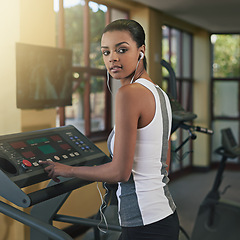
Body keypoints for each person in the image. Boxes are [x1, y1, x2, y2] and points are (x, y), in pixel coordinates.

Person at [40, 19, 179, 240]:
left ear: (141, 51)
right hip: (164, 216)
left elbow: (119, 173)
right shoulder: (160, 94)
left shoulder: (129, 94)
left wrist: (66, 170)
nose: (112, 58)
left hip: (144, 224)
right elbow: (164, 164)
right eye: (106, 52)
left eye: (122, 49)